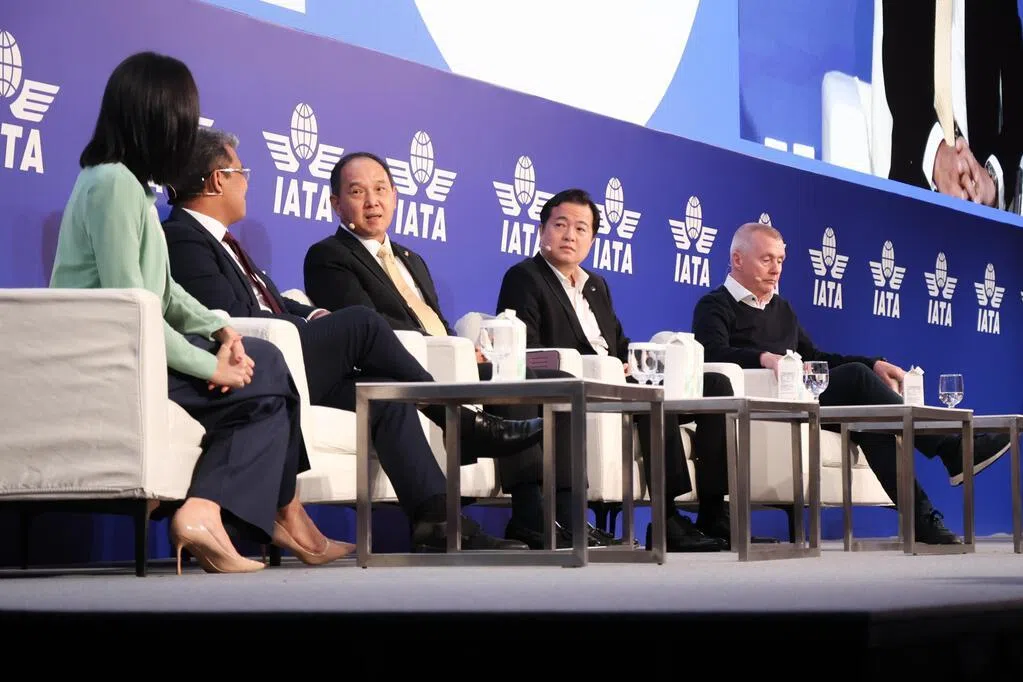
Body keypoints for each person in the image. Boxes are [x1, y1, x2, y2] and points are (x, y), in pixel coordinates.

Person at [161, 128, 539, 552]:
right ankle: (459, 420)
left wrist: (312, 314)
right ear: (217, 180)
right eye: (241, 172)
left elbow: (270, 301)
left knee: (386, 397)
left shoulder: (224, 242)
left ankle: (437, 522)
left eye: (381, 189)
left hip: (288, 358)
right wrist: (312, 324)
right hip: (258, 366)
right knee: (361, 322)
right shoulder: (184, 238)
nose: (247, 183)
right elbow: (229, 318)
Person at [48, 51, 352, 574]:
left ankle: (213, 512)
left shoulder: (128, 185)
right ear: (158, 118)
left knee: (265, 382)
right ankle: (257, 512)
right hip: (108, 362)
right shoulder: (112, 184)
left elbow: (165, 292)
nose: (188, 133)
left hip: (134, 352)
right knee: (268, 374)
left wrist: (221, 328)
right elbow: (133, 309)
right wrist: (211, 365)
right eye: (185, 119)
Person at [302, 152, 616, 549]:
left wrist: (465, 349)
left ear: (395, 196)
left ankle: (569, 515)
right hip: (407, 364)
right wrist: (447, 348)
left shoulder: (411, 259)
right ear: (335, 203)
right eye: (357, 192)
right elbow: (369, 326)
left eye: (380, 189)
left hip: (446, 359)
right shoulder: (328, 256)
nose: (372, 201)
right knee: (514, 382)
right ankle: (529, 514)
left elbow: (433, 320)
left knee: (560, 384)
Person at [692, 221, 1012, 544]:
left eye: (780, 260)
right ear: (737, 259)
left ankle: (921, 517)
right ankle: (948, 446)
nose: (776, 269)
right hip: (762, 407)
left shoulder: (782, 308)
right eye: (767, 260)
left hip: (802, 400)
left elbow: (816, 357)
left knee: (872, 423)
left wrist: (874, 363)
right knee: (857, 377)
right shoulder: (714, 305)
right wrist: (764, 358)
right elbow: (712, 353)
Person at [496, 188, 747, 552]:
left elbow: (617, 341)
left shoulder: (595, 286)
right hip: (579, 384)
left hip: (617, 379)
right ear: (542, 230)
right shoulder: (525, 277)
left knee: (716, 385)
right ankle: (665, 518)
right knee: (648, 394)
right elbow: (528, 351)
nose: (570, 236)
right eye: (561, 225)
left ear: (592, 240)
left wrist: (637, 361)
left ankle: (710, 510)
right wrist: (610, 368)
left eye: (581, 229)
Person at [881, 0, 1023, 211]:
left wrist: (993, 178)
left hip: (981, 199)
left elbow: (1017, 104)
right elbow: (899, 73)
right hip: (915, 184)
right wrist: (936, 155)